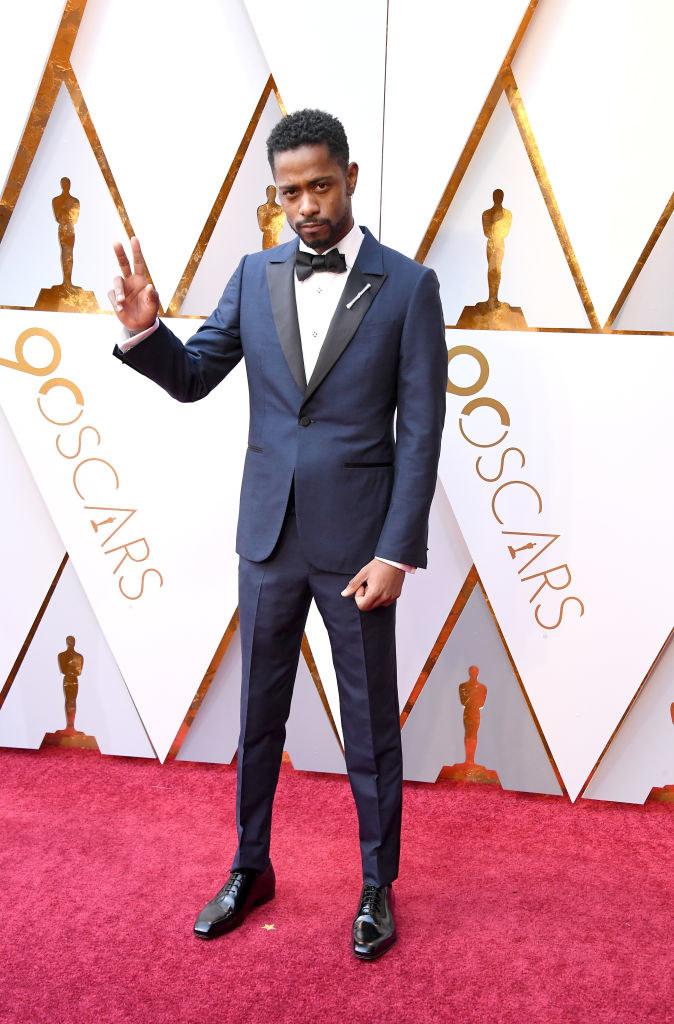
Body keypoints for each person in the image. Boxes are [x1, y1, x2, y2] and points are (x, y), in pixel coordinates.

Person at [109, 109, 447, 961]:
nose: (306, 206)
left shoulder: (408, 288)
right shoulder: (254, 275)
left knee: (369, 726)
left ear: (352, 179)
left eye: (320, 186)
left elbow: (422, 434)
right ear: (277, 194)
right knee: (259, 715)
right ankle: (250, 866)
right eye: (290, 191)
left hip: (360, 548)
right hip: (266, 537)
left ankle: (377, 885)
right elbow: (192, 379)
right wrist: (148, 332)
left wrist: (396, 550)